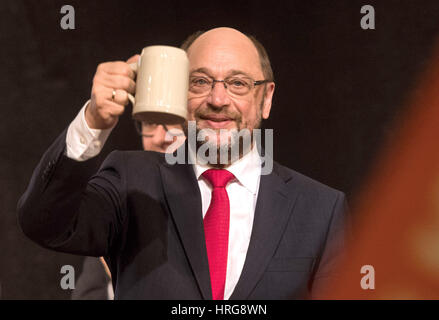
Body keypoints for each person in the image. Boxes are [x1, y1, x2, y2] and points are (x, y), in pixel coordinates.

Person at [18, 27, 348, 299]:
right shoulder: (131, 180)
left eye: (237, 84)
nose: (218, 100)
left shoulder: (321, 208)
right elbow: (45, 224)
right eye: (200, 81)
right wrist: (93, 122)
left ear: (266, 98)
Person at [72, 120, 185, 300]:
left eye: (173, 122)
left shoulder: (224, 199)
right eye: (150, 123)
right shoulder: (123, 206)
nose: (158, 138)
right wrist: (123, 279)